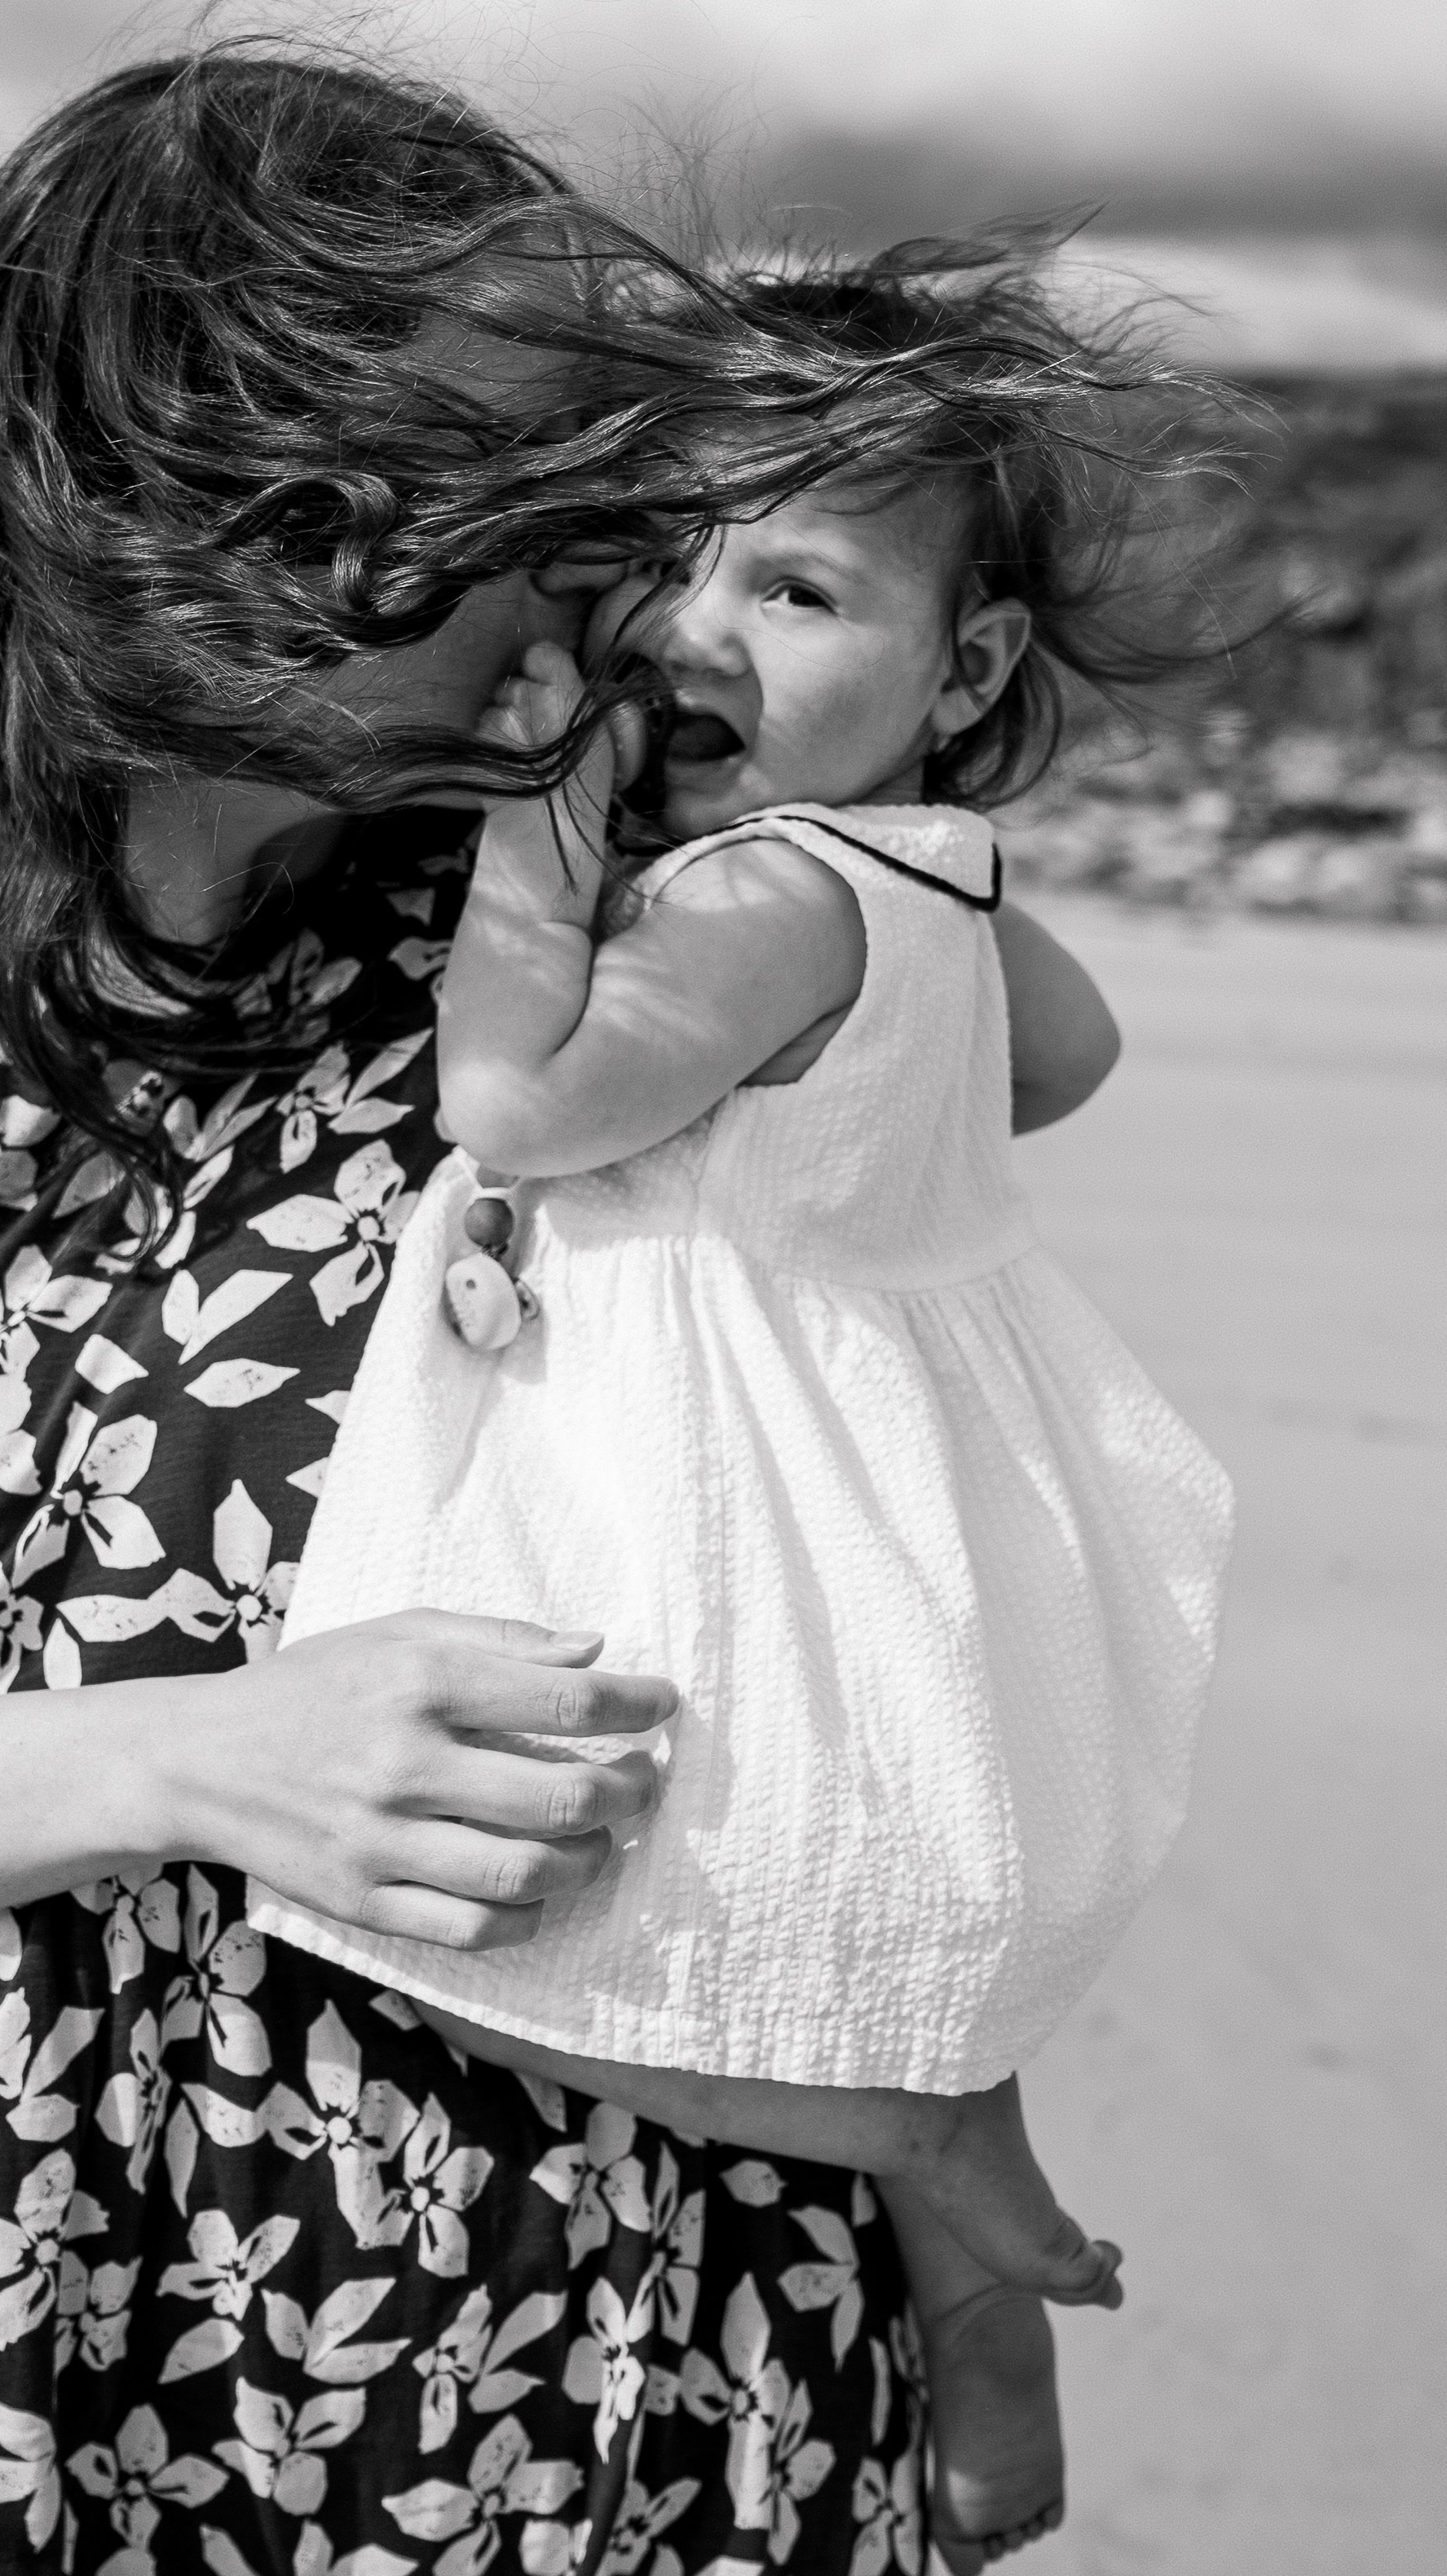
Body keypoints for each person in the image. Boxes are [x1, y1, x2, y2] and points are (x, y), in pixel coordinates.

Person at [0, 52, 1098, 2576]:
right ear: (197, 510)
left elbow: (862, 1514)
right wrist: (205, 1756)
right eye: (498, 496)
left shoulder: (586, 932)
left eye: (596, 484)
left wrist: (940, 2145)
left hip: (629, 2382)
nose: (599, 584)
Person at [251, 259, 1235, 2570]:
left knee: (527, 1953)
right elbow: (1061, 1056)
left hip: (716, 1493)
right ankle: (960, 2231)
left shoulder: (767, 889)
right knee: (804, 1915)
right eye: (655, 566)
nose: (693, 636)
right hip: (873, 1458)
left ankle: (942, 2170)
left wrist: (542, 828)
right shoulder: (923, 873)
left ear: (961, 671)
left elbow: (513, 1083)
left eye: (791, 586)